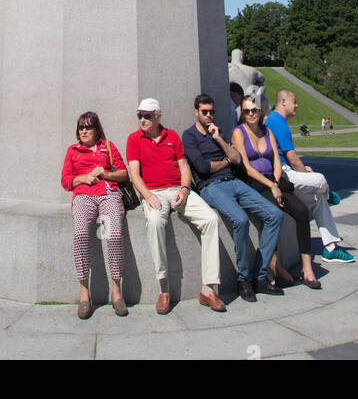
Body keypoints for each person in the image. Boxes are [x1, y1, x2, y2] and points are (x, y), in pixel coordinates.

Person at [126, 97, 225, 314]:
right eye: (139, 116)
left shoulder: (172, 136)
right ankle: (164, 288)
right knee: (154, 222)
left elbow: (184, 167)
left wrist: (184, 189)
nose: (142, 120)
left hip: (177, 191)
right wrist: (147, 196)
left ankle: (209, 289)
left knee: (210, 219)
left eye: (147, 116)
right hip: (154, 193)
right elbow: (134, 174)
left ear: (158, 116)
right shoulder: (134, 139)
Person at [181, 94, 284, 300]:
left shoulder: (220, 132)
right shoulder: (189, 136)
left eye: (212, 112)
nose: (209, 115)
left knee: (274, 215)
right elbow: (203, 168)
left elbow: (237, 159)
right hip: (212, 187)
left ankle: (260, 277)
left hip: (234, 182)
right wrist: (226, 161)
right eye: (205, 112)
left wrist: (219, 139)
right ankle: (243, 279)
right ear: (196, 112)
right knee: (241, 220)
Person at [231, 98, 321, 288]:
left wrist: (275, 182)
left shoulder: (267, 131)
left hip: (274, 181)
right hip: (255, 183)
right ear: (242, 113)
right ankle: (277, 267)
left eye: (254, 110)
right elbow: (246, 167)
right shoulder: (239, 133)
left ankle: (307, 268)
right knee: (272, 212)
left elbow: (276, 161)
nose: (251, 114)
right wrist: (271, 186)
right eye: (247, 111)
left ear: (260, 110)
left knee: (301, 211)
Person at [266, 91, 355, 264]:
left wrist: (305, 170)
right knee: (320, 180)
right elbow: (291, 158)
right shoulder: (277, 122)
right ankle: (330, 194)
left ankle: (330, 248)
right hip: (284, 174)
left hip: (287, 171)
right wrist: (306, 173)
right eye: (294, 101)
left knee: (318, 199)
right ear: (283, 102)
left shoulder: (275, 120)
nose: (297, 105)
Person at [61, 110, 128, 318]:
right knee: (81, 236)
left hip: (108, 195)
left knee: (114, 236)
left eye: (88, 127)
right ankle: (84, 293)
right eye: (81, 127)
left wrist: (105, 173)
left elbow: (124, 173)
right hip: (83, 196)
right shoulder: (72, 150)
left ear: (97, 129)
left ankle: (116, 291)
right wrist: (83, 178)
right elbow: (65, 180)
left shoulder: (108, 147)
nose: (83, 131)